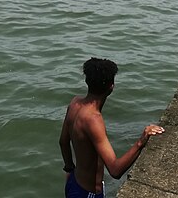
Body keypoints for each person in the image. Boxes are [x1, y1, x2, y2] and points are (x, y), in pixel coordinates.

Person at [59, 58, 165, 198]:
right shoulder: (93, 120)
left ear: (87, 81)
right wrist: (142, 140)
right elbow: (115, 170)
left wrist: (69, 168)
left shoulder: (74, 104)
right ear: (111, 86)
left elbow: (63, 142)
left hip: (73, 183)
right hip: (87, 194)